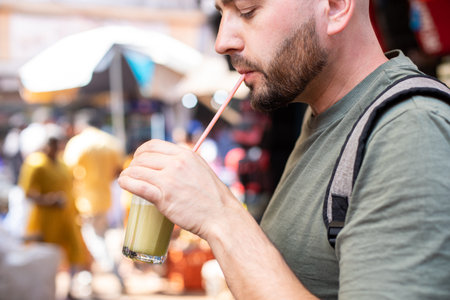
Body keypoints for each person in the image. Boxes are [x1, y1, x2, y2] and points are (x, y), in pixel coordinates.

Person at [118, 0, 450, 299]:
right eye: (222, 13)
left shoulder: (412, 128)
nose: (222, 42)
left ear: (335, 7)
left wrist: (221, 217)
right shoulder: (320, 114)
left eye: (247, 11)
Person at [18, 125, 91, 297]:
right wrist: (49, 200)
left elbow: (71, 189)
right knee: (47, 258)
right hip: (45, 220)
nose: (53, 146)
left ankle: (70, 290)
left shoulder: (63, 164)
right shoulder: (35, 163)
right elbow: (28, 193)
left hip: (67, 217)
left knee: (75, 253)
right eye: (50, 143)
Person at [63, 110, 125, 281]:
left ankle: (114, 272)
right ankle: (97, 274)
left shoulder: (78, 143)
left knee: (94, 239)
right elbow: (118, 171)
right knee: (100, 236)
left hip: (84, 201)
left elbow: (67, 172)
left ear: (81, 124)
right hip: (106, 199)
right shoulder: (111, 142)